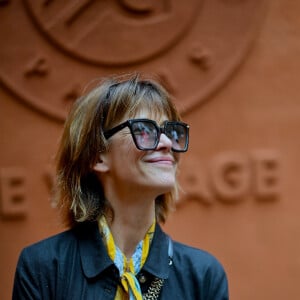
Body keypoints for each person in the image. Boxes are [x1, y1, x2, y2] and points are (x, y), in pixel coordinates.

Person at [12, 73, 229, 300]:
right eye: (144, 130)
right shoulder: (43, 268)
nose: (166, 144)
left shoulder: (203, 275)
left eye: (171, 132)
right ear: (97, 156)